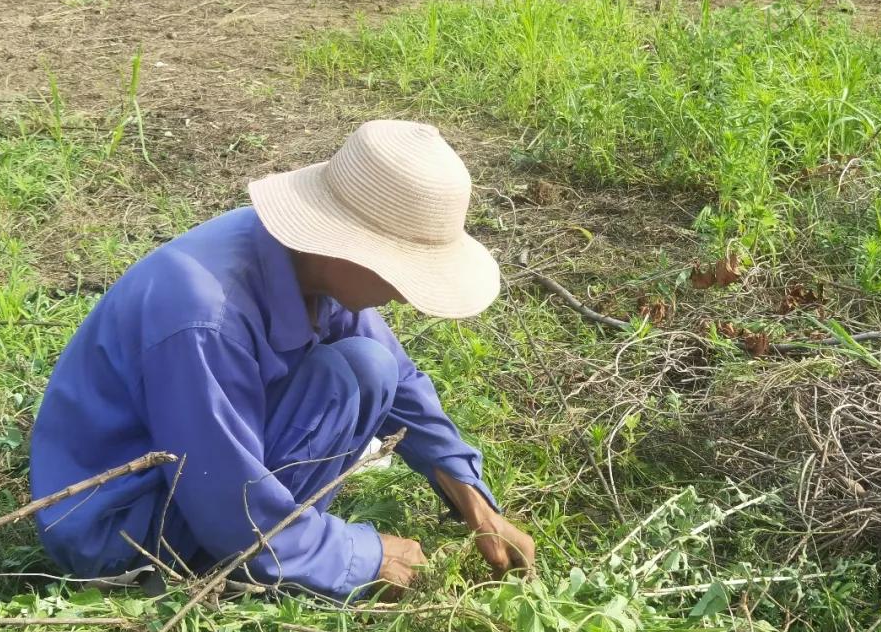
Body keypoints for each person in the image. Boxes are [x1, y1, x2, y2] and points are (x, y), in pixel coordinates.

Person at [29, 120, 534, 600]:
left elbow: (400, 381)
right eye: (401, 274)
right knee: (346, 377)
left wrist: (473, 500)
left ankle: (284, 548)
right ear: (347, 249)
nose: (405, 296)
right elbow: (228, 504)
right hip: (122, 529)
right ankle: (241, 567)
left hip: (188, 469)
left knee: (368, 366)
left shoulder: (302, 264)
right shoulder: (206, 318)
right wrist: (364, 555)